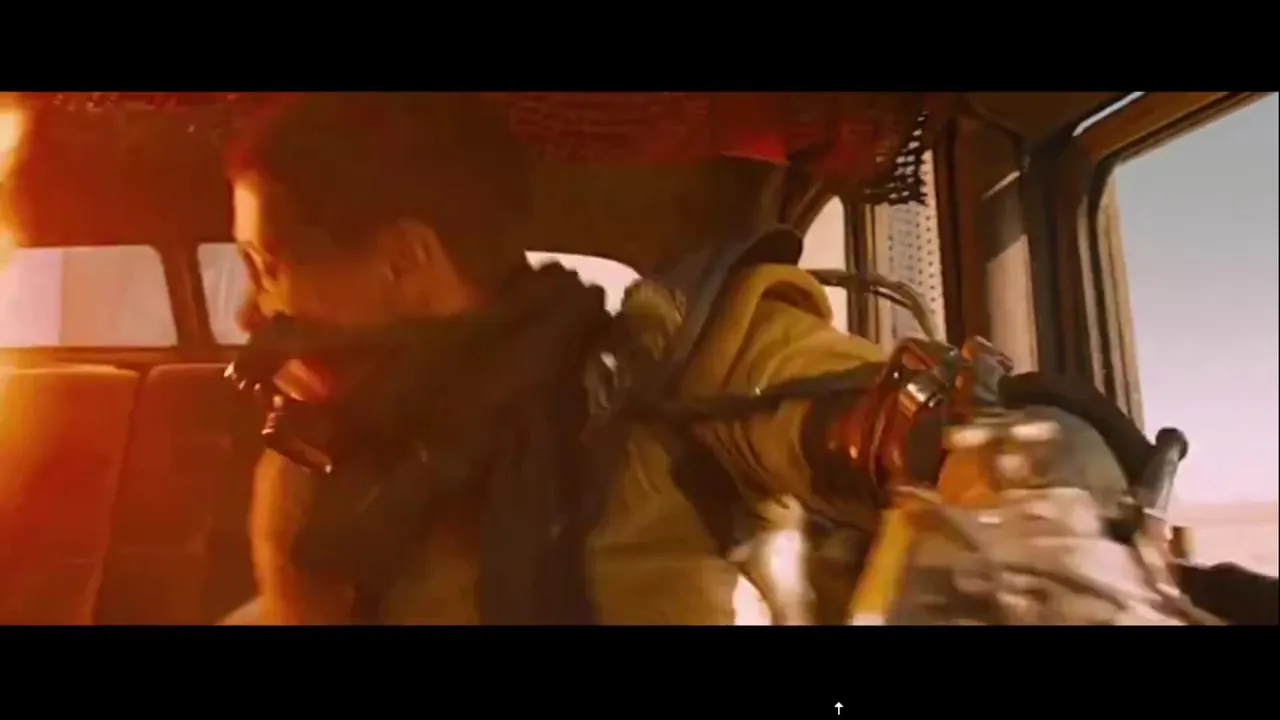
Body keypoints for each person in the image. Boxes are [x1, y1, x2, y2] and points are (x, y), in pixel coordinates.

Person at [224, 92, 1259, 626]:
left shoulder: (665, 367)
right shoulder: (320, 457)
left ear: (404, 259)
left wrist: (1002, 480)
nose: (255, 307)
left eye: (269, 265)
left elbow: (902, 424)